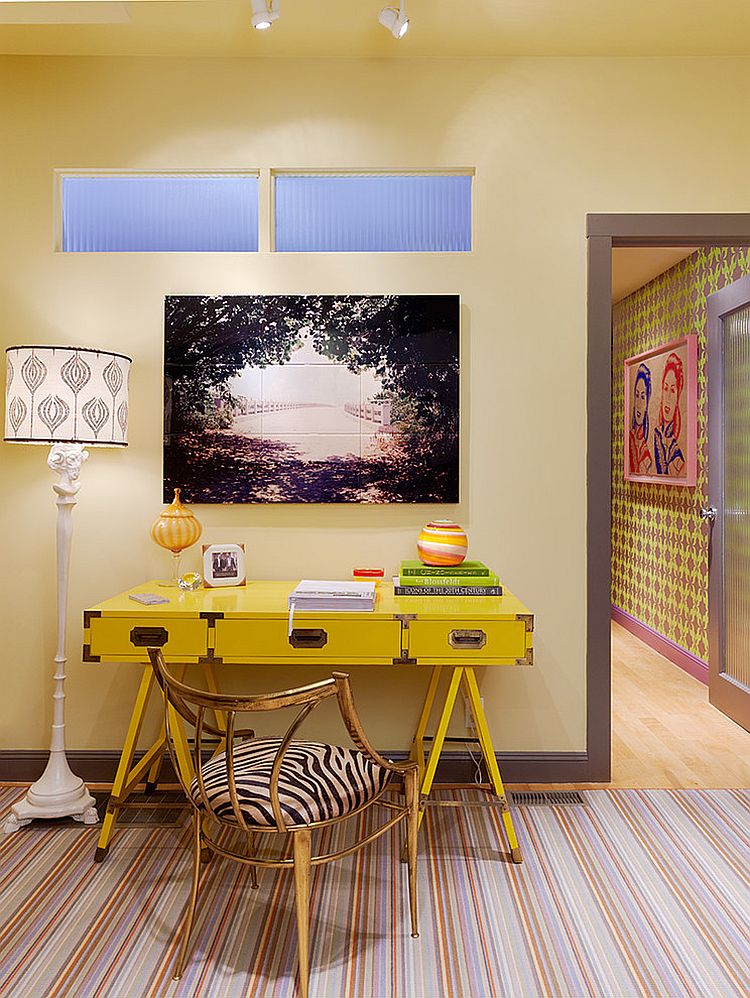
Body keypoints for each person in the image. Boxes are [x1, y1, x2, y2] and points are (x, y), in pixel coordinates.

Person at [653, 351, 685, 476]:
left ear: (678, 398)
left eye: (672, 391)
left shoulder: (676, 451)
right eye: (665, 389)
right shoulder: (656, 434)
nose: (668, 397)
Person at [629, 362, 653, 474]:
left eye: (643, 397)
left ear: (647, 403)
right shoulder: (629, 438)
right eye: (636, 395)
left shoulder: (646, 457)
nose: (638, 404)